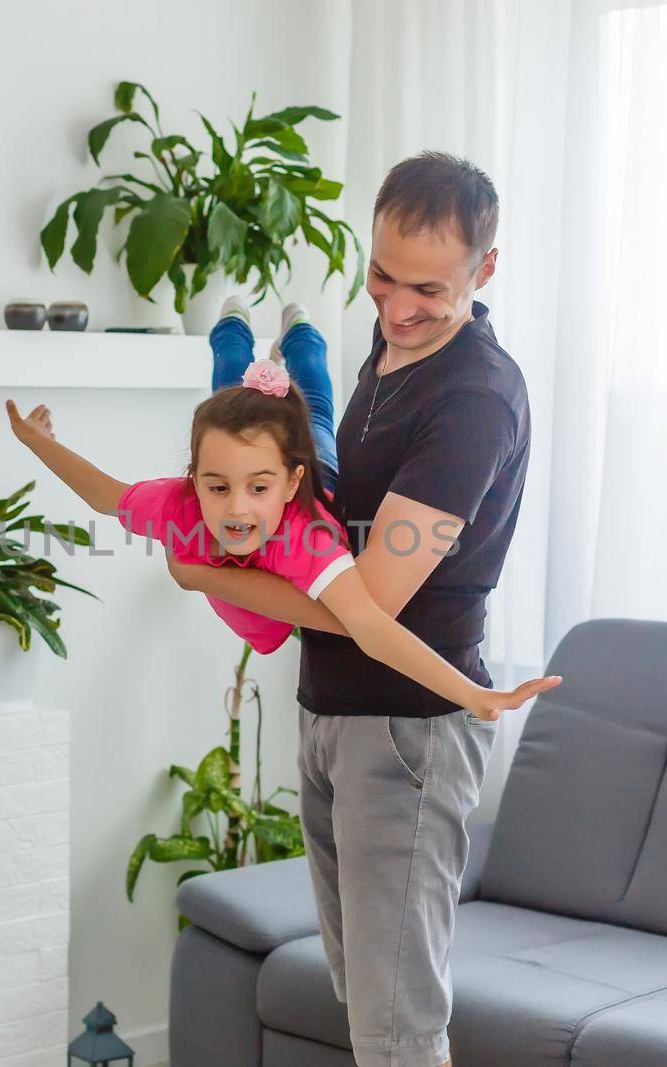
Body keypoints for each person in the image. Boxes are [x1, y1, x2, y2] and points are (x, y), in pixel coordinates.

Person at [164, 152, 530, 1067]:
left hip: (408, 733)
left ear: (484, 272)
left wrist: (202, 573)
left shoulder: (474, 399)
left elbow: (370, 599)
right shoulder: (395, 351)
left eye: (428, 290)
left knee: (397, 1030)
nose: (396, 307)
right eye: (380, 276)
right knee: (362, 1002)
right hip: (333, 714)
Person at [3, 296, 558, 725]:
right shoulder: (179, 504)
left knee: (313, 404)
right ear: (193, 481)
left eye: (257, 489)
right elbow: (103, 493)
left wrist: (474, 694)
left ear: (287, 485)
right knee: (228, 390)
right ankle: (233, 322)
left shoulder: (305, 539)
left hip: (318, 470)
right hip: (259, 461)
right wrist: (38, 443)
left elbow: (368, 623)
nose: (236, 509)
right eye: (216, 488)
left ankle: (303, 336)